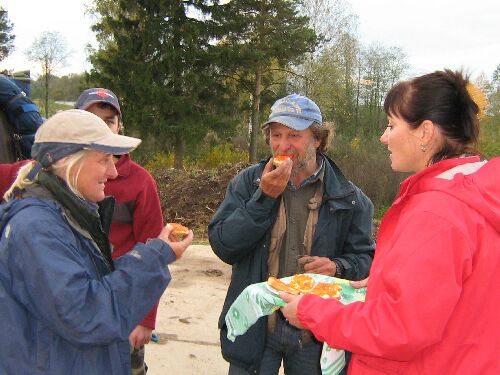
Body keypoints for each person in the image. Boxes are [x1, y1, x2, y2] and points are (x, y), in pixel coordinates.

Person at [281, 70, 500, 374]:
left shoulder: (437, 213)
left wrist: (311, 312)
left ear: (425, 133)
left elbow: (399, 329)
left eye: (391, 124)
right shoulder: (479, 194)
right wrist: (389, 281)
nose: (384, 137)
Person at [0, 109, 194, 375]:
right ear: (69, 161)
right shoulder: (37, 228)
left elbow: (92, 285)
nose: (113, 172)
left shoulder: (69, 213)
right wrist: (155, 258)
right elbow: (87, 314)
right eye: (104, 160)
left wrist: (156, 251)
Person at [208, 94, 375, 374]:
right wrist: (263, 198)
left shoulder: (350, 197)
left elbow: (366, 261)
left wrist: (338, 266)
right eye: (276, 135)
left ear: (317, 139)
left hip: (314, 337)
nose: (282, 145)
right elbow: (224, 245)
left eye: (294, 135)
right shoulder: (249, 183)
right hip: (258, 330)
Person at [74, 88, 163, 375]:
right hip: (73, 303)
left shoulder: (140, 181)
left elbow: (154, 252)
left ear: (119, 126)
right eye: (92, 119)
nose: (101, 127)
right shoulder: (57, 173)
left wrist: (146, 317)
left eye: (108, 120)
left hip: (124, 305)